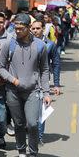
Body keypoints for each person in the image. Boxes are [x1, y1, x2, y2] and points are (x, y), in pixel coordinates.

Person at [0, 14, 51, 157]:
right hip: (13, 91)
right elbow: (0, 67)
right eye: (16, 28)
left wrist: (47, 92)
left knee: (33, 124)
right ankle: (22, 154)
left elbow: (45, 70)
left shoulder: (40, 46)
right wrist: (13, 80)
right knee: (18, 124)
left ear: (29, 28)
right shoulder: (9, 44)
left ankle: (33, 155)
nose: (17, 31)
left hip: (33, 90)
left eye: (21, 28)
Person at [31, 18, 61, 147]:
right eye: (33, 28)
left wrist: (56, 84)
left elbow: (56, 65)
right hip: (27, 81)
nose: (35, 31)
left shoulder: (50, 45)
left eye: (38, 28)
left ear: (43, 29)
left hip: (43, 82)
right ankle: (31, 133)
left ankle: (39, 137)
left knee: (41, 110)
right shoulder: (25, 43)